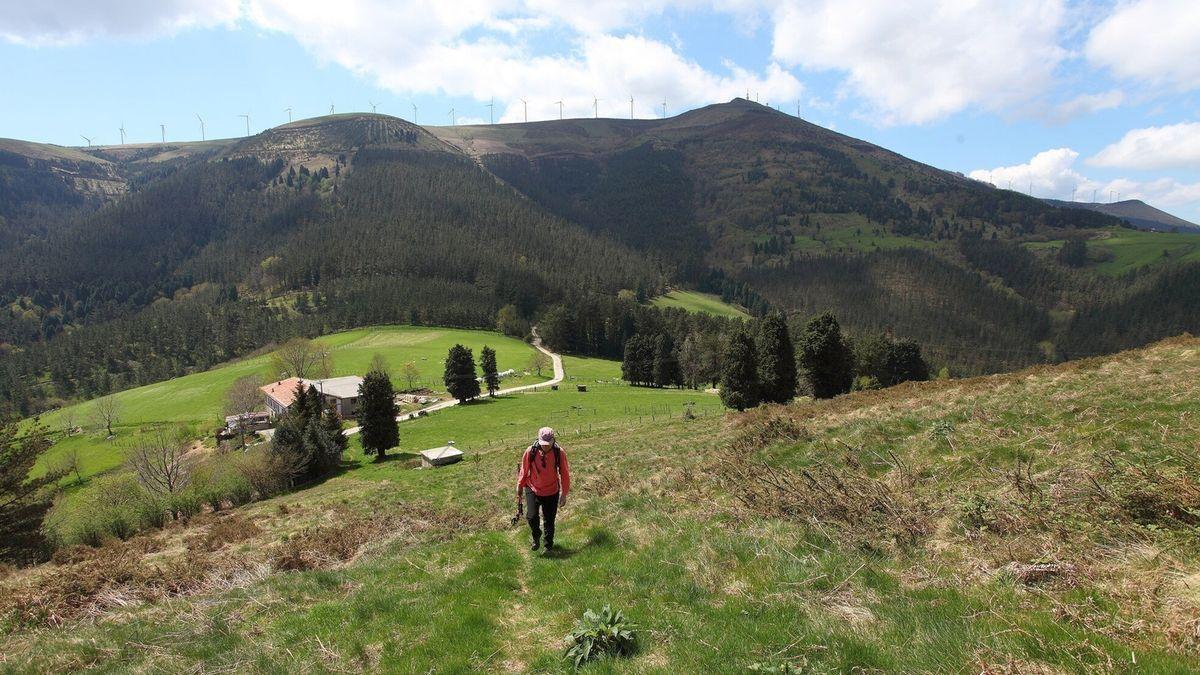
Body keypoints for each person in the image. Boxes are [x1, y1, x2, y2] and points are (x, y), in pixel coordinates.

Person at [517, 426, 570, 551]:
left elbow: (565, 473)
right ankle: (536, 536)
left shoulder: (559, 452)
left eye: (548, 444)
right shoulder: (531, 451)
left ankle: (548, 546)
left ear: (553, 440)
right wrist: (519, 486)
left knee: (549, 520)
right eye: (543, 444)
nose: (545, 446)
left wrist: (564, 494)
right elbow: (524, 470)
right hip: (533, 488)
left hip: (552, 491)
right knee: (531, 516)